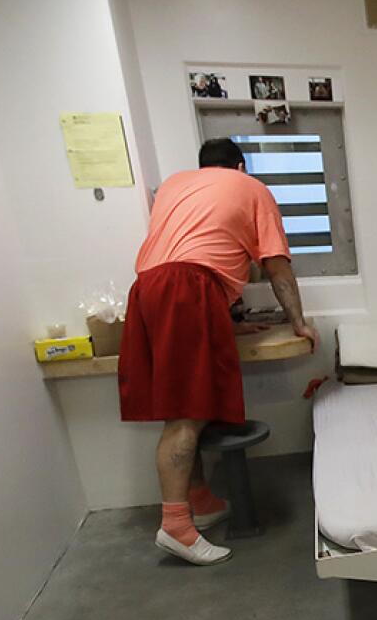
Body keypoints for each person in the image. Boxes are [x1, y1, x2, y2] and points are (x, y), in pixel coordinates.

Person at [118, 138, 319, 566]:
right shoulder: (251, 188)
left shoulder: (175, 186)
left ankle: (200, 499)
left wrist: (226, 321)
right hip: (188, 290)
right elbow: (276, 265)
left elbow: (186, 251)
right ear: (240, 166)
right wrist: (299, 322)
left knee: (185, 401)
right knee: (186, 412)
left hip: (148, 290)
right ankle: (176, 526)